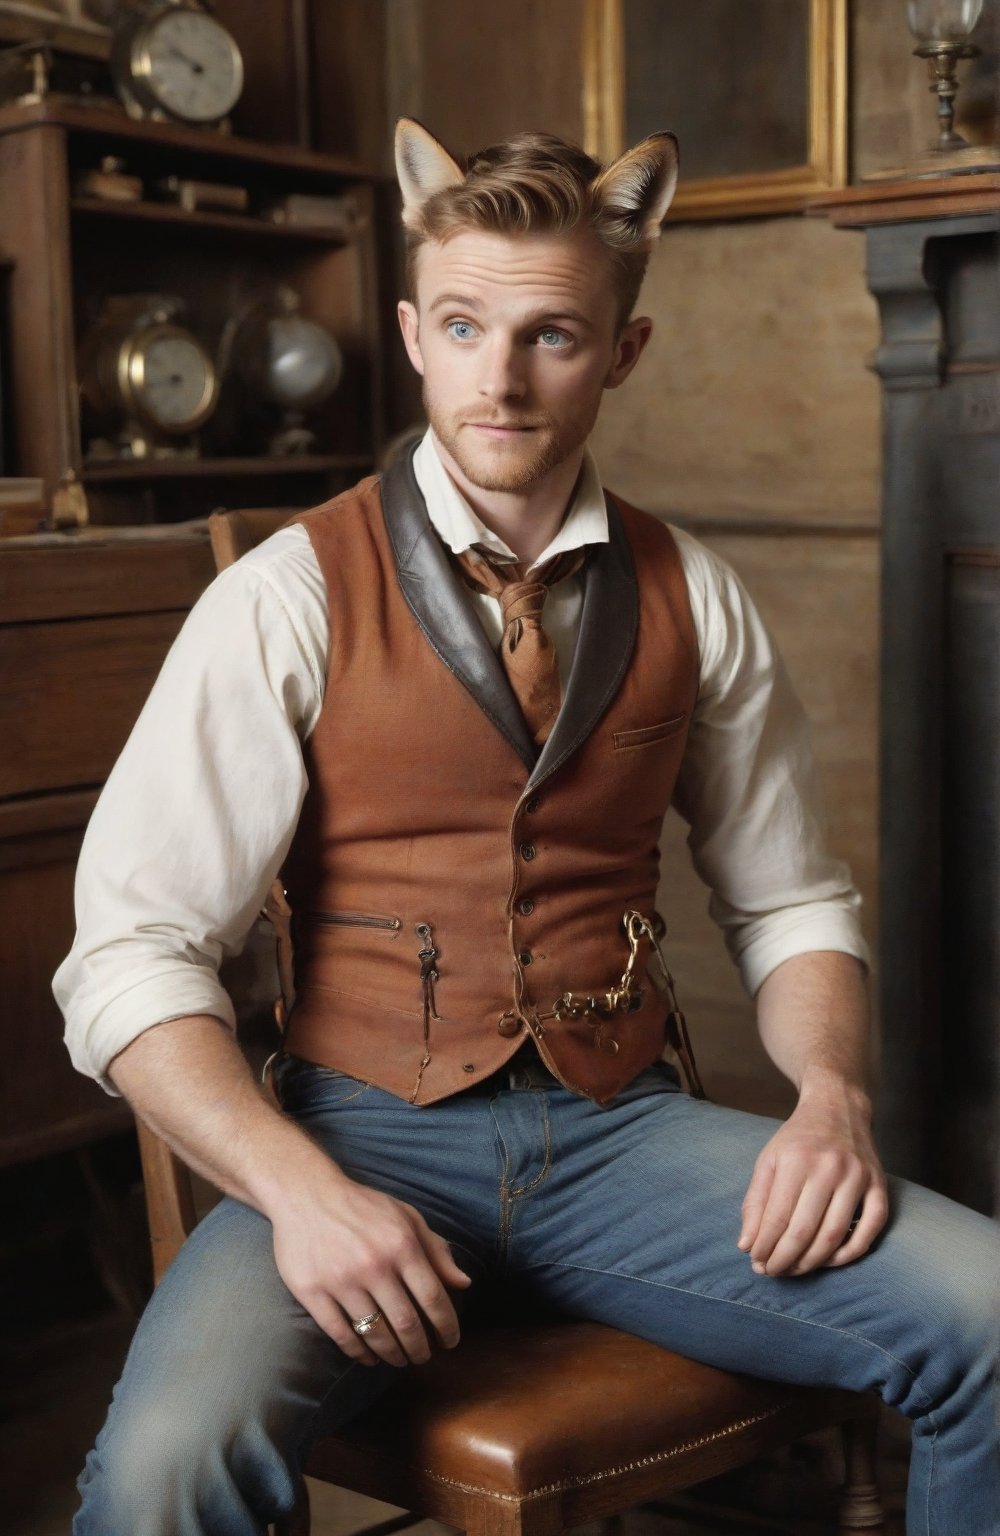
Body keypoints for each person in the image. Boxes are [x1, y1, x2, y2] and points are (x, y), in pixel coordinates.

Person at [55, 119, 997, 1536]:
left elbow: (789, 899)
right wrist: (300, 1193)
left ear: (623, 350)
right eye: (464, 327)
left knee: (989, 1317)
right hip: (352, 1140)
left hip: (622, 1137)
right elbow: (130, 957)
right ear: (413, 335)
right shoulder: (284, 599)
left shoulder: (701, 598)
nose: (500, 377)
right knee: (164, 1472)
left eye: (551, 334)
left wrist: (830, 1101)